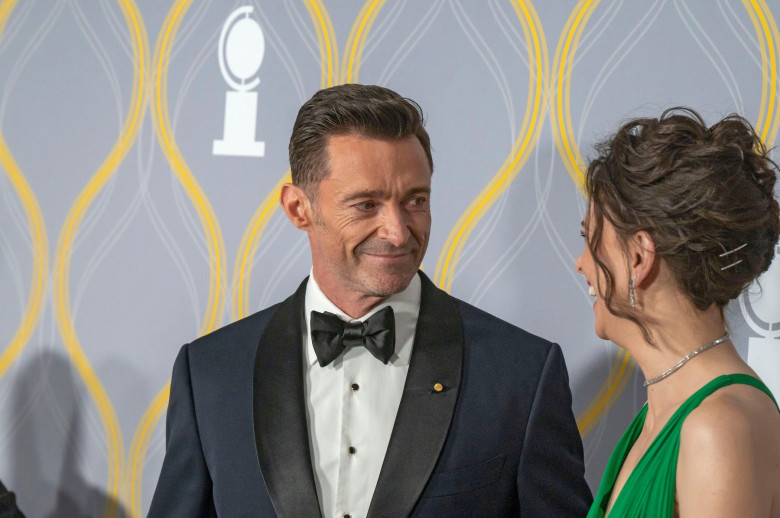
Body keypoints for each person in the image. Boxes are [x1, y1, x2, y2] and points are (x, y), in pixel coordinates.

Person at [149, 84, 591, 517]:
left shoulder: (521, 374)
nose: (398, 232)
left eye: (415, 200)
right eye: (365, 205)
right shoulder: (210, 372)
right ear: (298, 208)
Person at [575, 107, 780, 517]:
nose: (581, 263)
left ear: (638, 257)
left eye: (590, 238)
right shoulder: (663, 412)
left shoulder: (717, 428)